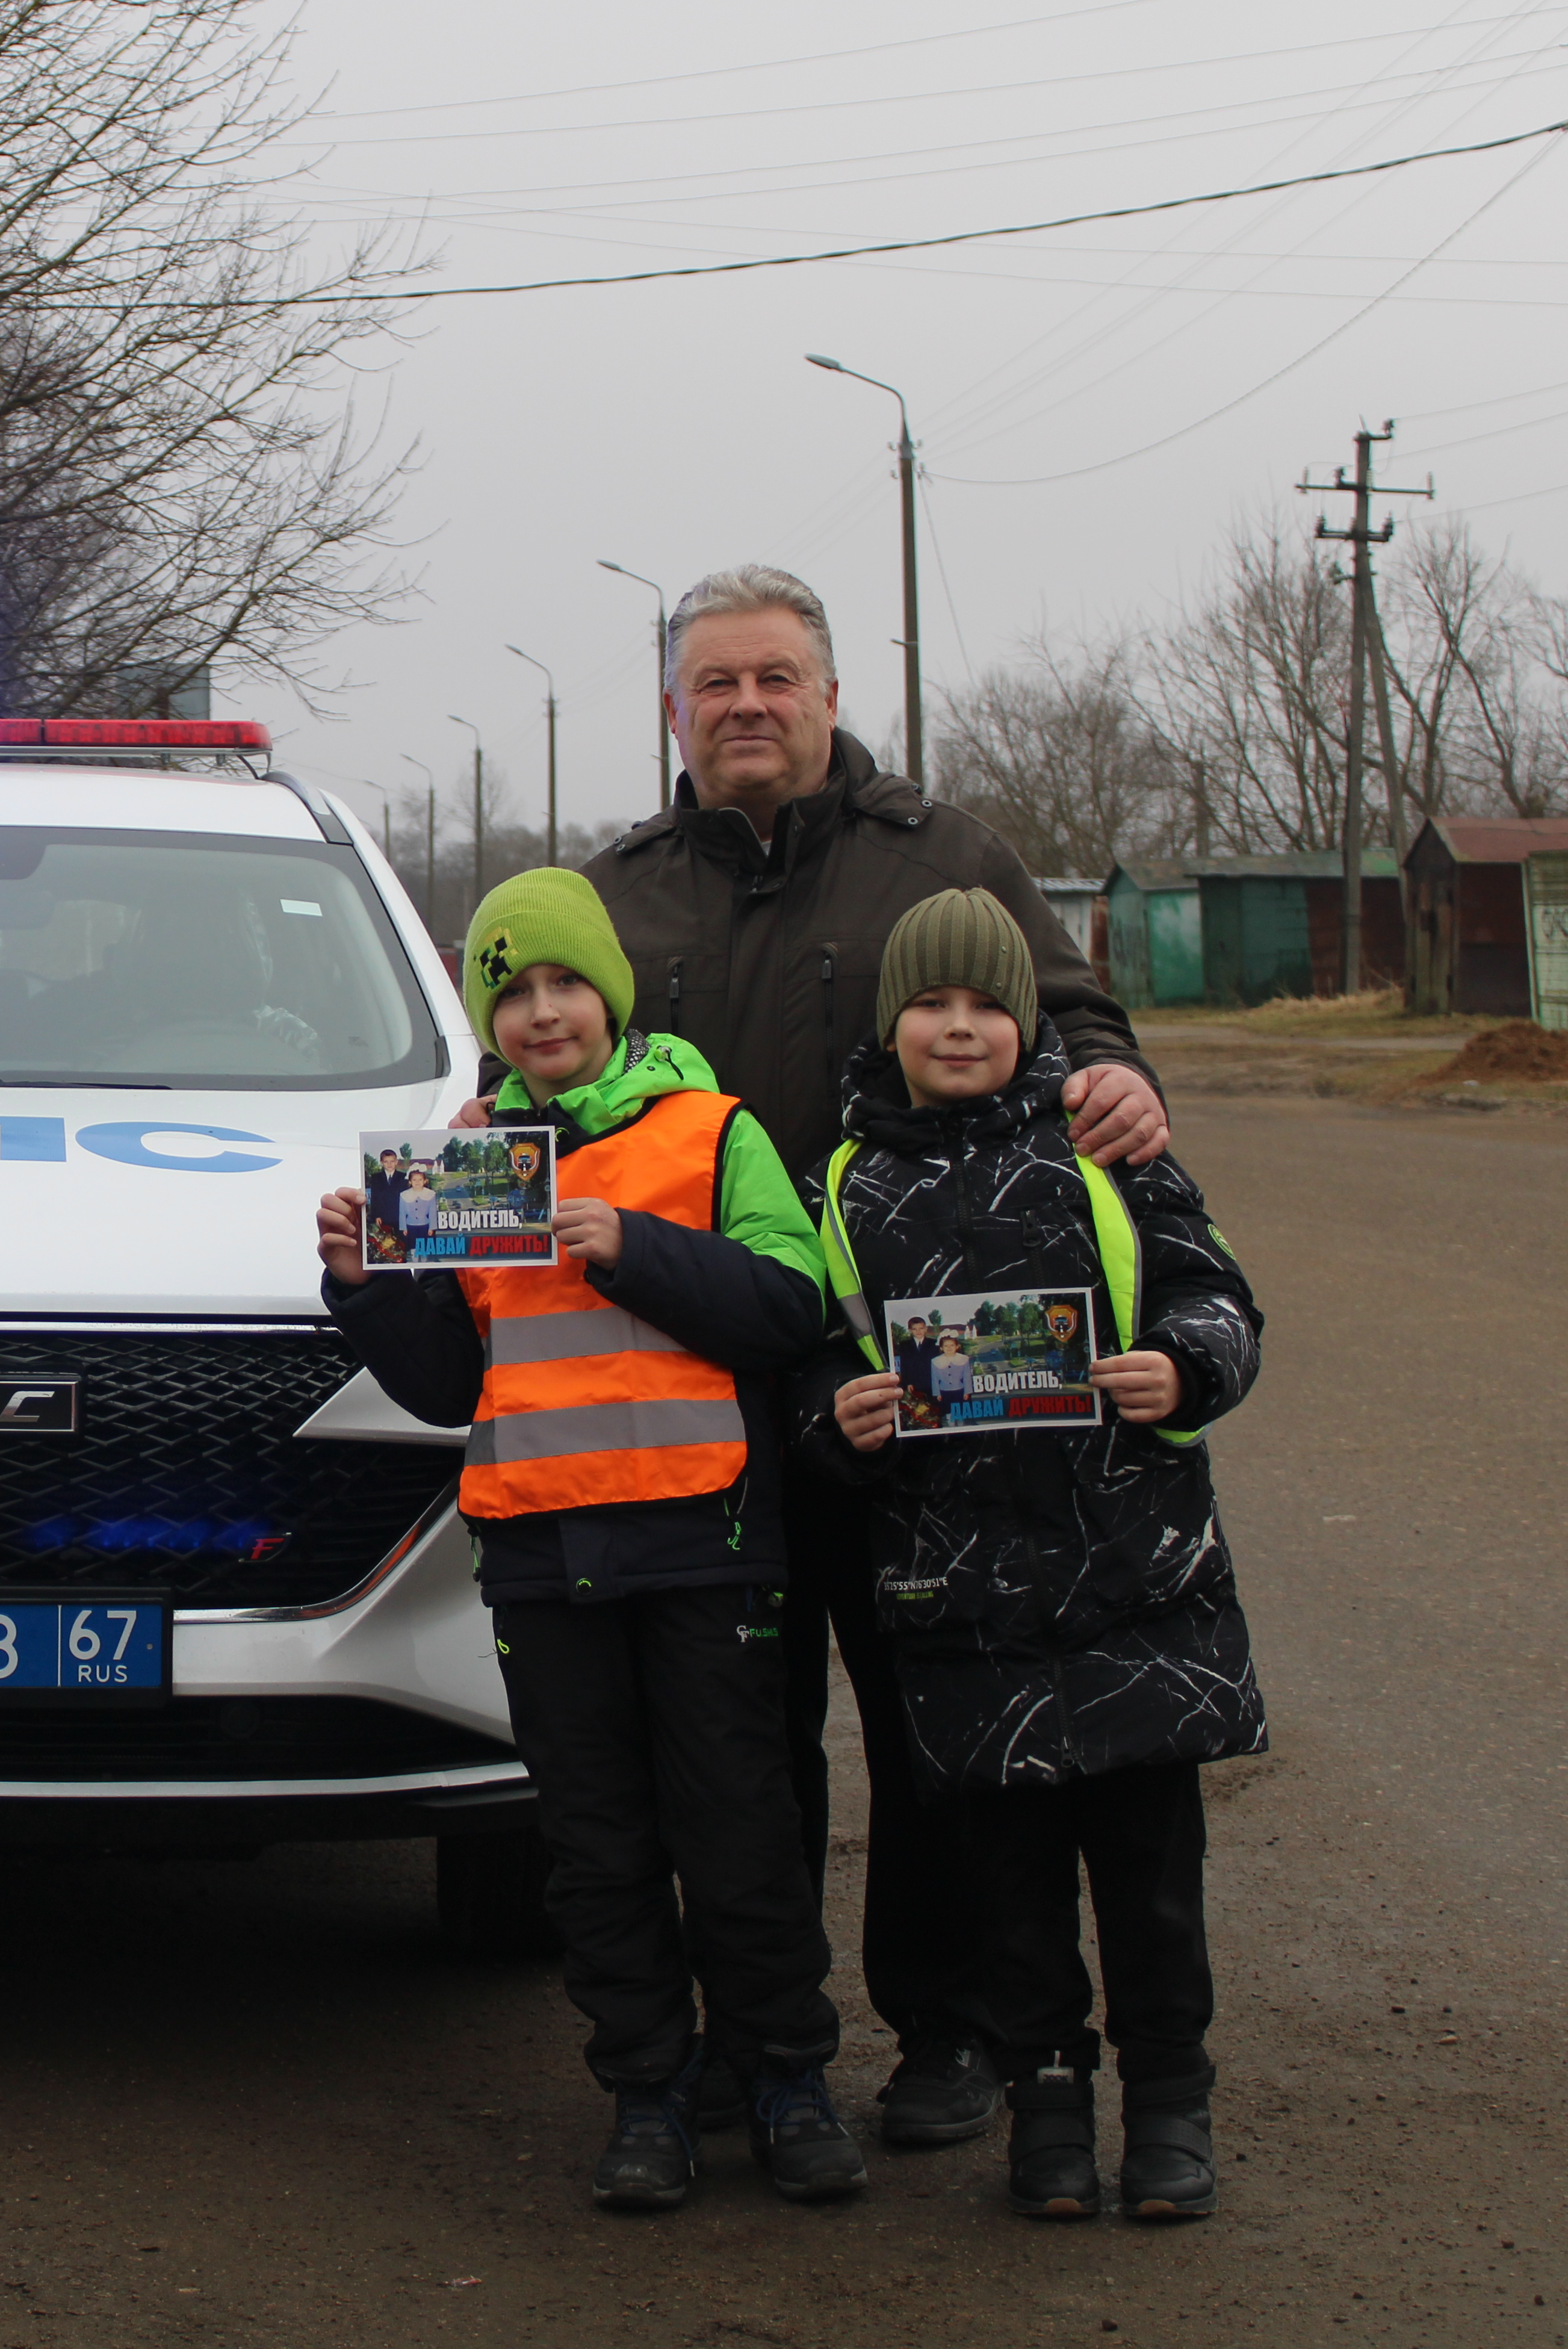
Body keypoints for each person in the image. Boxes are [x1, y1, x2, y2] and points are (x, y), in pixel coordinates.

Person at [576, 563, 1174, 2152]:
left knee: (934, 1721)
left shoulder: (947, 859)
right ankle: (754, 2038)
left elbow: (1072, 1016)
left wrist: (1111, 1082)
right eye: (719, 684)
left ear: (832, 697)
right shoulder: (621, 893)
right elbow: (545, 1065)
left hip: (926, 1384)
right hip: (698, 1387)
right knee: (736, 1745)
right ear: (676, 710)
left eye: (778, 678)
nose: (750, 706)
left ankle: (951, 2028)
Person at [317, 869, 858, 2214]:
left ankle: (786, 2080)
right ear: (488, 1016)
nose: (542, 1013)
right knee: (596, 1849)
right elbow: (451, 1383)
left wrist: (635, 1246)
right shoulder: (464, 1163)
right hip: (542, 1559)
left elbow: (794, 1308)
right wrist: (360, 1286)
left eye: (563, 984)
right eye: (512, 992)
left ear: (608, 994)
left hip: (705, 1548)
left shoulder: (711, 1129)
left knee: (740, 1833)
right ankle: (649, 2094)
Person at [802, 890, 1265, 2222]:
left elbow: (1215, 1290)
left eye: (987, 1004)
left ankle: (1171, 2101)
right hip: (966, 1614)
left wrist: (1181, 1367)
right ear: (891, 1024)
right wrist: (839, 1419)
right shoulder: (846, 1181)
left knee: (1152, 1891)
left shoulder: (1109, 1145)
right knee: (1008, 1899)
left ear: (1030, 1019)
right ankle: (1046, 2101)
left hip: (1137, 1589)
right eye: (932, 1005)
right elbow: (815, 1362)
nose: (960, 1027)